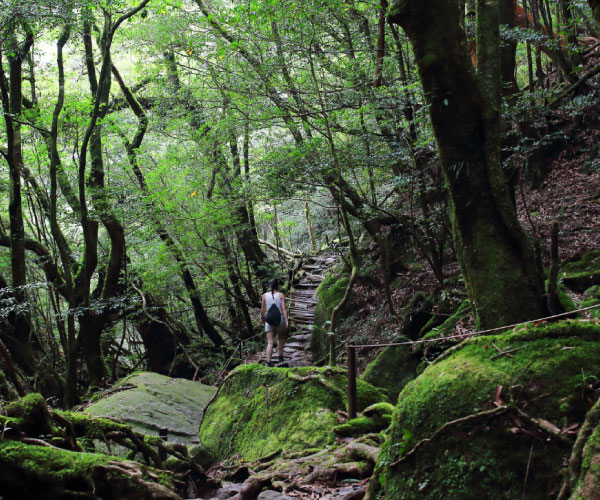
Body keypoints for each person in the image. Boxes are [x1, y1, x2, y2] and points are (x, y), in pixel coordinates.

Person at [261, 278, 288, 366]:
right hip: (280, 318)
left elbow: (263, 310)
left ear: (270, 285)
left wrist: (262, 318)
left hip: (269, 320)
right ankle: (280, 358)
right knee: (280, 339)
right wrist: (286, 321)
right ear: (277, 286)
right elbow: (283, 308)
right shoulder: (281, 295)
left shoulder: (264, 296)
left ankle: (268, 362)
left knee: (270, 342)